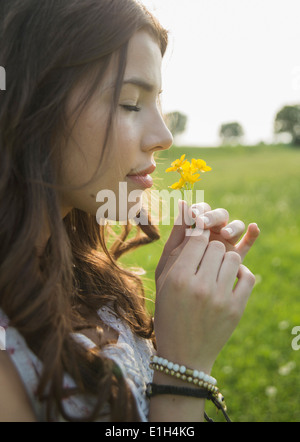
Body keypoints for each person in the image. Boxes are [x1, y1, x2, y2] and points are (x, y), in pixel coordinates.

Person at [0, 0, 260, 422]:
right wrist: (183, 372)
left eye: (158, 102)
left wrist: (173, 326)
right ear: (30, 109)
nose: (164, 136)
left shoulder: (83, 277)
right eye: (129, 103)